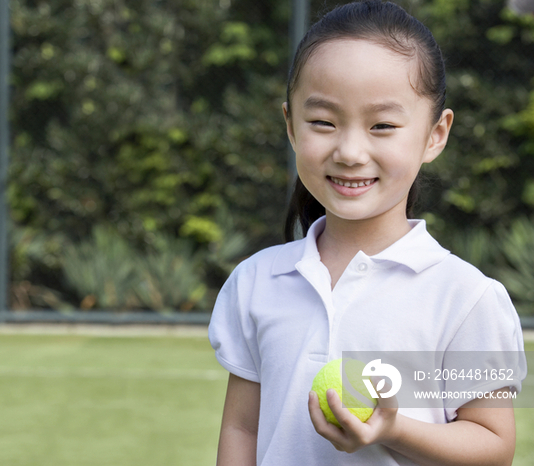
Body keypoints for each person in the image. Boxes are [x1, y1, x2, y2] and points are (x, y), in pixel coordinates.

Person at [208, 1, 527, 465]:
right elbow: (243, 427)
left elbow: (494, 447)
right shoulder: (256, 282)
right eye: (323, 122)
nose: (351, 151)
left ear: (435, 135)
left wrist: (393, 428)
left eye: (382, 126)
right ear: (291, 127)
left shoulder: (467, 298)